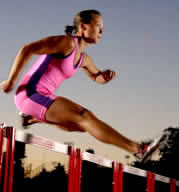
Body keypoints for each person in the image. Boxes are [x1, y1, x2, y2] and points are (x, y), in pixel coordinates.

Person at [0, 9, 153, 160]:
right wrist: (11, 80)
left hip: (44, 96)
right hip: (30, 94)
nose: (102, 31)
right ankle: (138, 149)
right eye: (98, 25)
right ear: (83, 26)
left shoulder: (83, 59)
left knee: (82, 126)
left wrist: (105, 77)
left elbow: (96, 76)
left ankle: (31, 118)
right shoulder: (66, 43)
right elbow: (28, 49)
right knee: (84, 116)